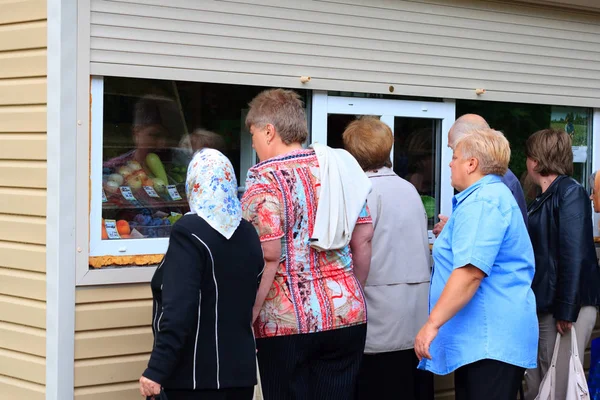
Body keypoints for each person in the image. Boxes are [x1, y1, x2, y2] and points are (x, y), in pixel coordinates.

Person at [241, 88, 374, 400]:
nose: (252, 143)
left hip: (285, 324)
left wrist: (248, 316)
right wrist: (353, 291)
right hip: (346, 314)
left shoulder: (264, 179)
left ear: (269, 131)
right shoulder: (338, 170)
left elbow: (269, 255)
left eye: (253, 134)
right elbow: (363, 236)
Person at [415, 128, 538, 400]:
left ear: (472, 164)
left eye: (455, 157)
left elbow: (470, 273)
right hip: (486, 340)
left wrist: (432, 324)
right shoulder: (488, 197)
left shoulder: (483, 201)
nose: (450, 163)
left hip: (489, 341)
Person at [139, 149, 264, 400]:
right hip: (240, 376)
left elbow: (178, 309)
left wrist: (157, 369)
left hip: (195, 379)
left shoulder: (189, 231)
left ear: (194, 184)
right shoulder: (248, 232)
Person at [342, 117, 433, 400]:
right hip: (415, 312)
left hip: (378, 315)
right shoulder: (409, 189)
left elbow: (359, 248)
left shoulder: (362, 191)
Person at [524, 128, 600, 400]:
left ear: (535, 159)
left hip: (566, 309)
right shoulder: (542, 198)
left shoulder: (570, 193)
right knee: (543, 382)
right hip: (549, 304)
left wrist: (566, 310)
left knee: (559, 385)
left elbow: (573, 253)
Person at [433, 114, 527, 236]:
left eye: (454, 151)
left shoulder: (489, 192)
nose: (451, 163)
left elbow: (483, 241)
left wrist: (450, 232)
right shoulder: (492, 183)